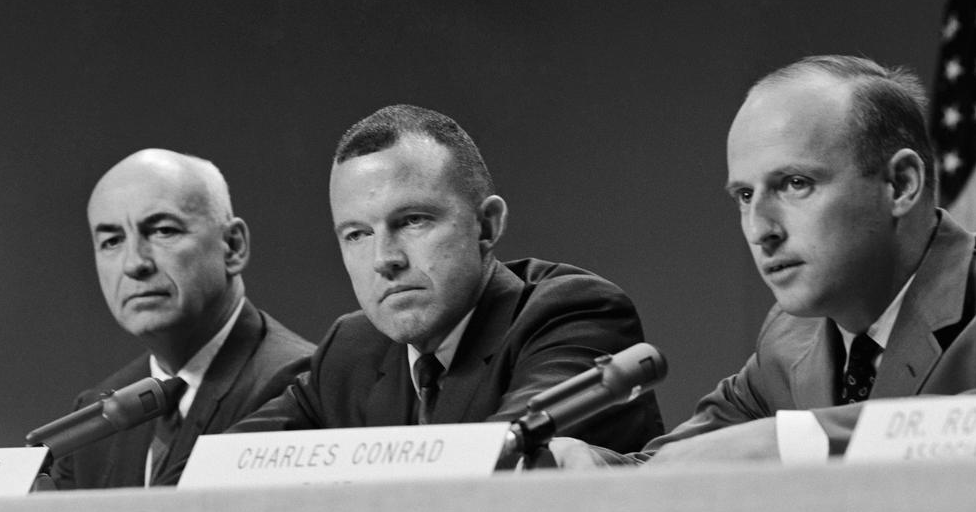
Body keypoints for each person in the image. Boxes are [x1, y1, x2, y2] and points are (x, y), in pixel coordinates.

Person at [554, 53, 976, 467]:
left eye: (795, 184)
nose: (760, 229)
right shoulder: (790, 341)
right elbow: (683, 461)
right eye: (744, 195)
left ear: (901, 184)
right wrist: (589, 469)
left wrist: (796, 443)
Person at [225, 104, 663, 452]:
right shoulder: (352, 350)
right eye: (357, 234)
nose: (385, 259)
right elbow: (222, 471)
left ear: (487, 225)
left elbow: (501, 463)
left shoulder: (572, 315)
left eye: (413, 221)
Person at [47, 149, 313, 488]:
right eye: (112, 241)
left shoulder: (299, 385)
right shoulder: (95, 415)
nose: (134, 264)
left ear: (232, 246)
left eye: (162, 231)